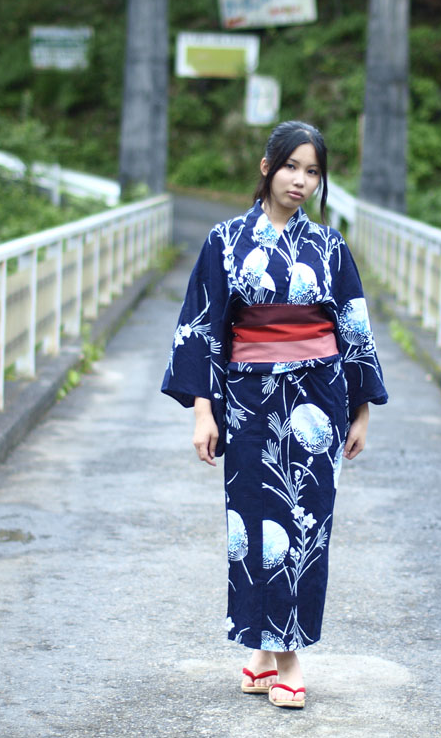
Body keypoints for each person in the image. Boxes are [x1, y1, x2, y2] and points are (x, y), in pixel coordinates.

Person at [161, 120, 387, 709]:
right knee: (252, 526)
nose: (300, 180)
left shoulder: (330, 247)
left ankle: (283, 658)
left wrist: (361, 409)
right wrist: (203, 413)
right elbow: (202, 328)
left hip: (318, 399)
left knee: (305, 526)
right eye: (291, 166)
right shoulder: (224, 241)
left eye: (313, 172)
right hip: (248, 403)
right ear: (267, 167)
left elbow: (353, 327)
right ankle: (269, 651)